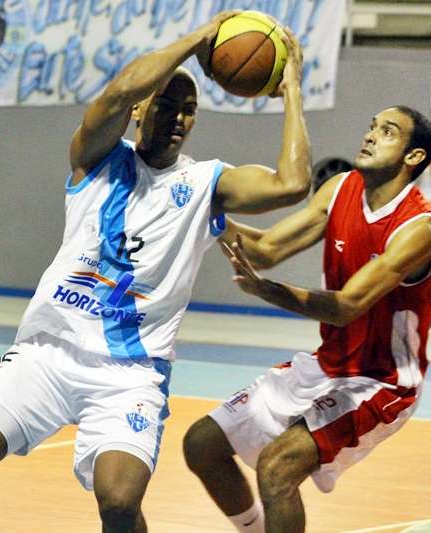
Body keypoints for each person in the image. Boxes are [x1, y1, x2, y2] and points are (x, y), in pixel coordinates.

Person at [0, 13, 310, 533]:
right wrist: (200, 37)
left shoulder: (205, 182)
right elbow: (118, 91)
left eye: (189, 110)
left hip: (131, 372)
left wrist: (291, 89)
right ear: (138, 110)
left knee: (120, 499)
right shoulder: (97, 156)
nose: (177, 117)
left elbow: (291, 183)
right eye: (166, 104)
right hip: (49, 350)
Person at [183, 105, 431, 533]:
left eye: (388, 131)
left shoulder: (418, 227)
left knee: (277, 469)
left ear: (414, 157)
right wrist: (199, 205)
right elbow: (265, 249)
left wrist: (268, 290)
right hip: (328, 364)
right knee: (201, 445)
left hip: (382, 382)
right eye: (372, 124)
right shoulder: (339, 188)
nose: (370, 135)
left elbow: (347, 304)